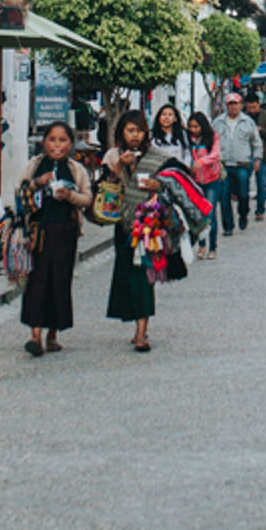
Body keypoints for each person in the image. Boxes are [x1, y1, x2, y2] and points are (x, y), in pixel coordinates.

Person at [18, 122, 91, 356]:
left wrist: (70, 195)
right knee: (37, 280)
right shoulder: (35, 165)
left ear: (70, 143)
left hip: (65, 232)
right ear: (44, 141)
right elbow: (20, 191)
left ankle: (52, 334)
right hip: (39, 232)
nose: (57, 145)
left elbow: (87, 198)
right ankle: (35, 334)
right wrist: (37, 183)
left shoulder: (76, 169)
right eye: (52, 139)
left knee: (60, 281)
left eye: (62, 140)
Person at [104, 110, 166, 352]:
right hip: (123, 225)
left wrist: (157, 185)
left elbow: (171, 181)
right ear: (122, 132)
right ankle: (135, 323)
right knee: (126, 274)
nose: (135, 136)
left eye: (139, 131)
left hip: (148, 227)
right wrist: (120, 166)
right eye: (130, 130)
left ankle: (142, 332)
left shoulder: (155, 157)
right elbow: (104, 186)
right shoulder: (113, 156)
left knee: (143, 277)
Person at [213, 92, 262, 232]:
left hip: (242, 165)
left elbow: (256, 142)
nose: (233, 107)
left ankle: (243, 214)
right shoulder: (218, 122)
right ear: (226, 106)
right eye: (230, 104)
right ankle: (228, 226)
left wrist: (257, 158)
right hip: (223, 165)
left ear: (241, 105)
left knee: (243, 194)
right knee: (224, 197)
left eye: (236, 104)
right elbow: (211, 141)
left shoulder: (248, 122)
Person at [185, 110, 223, 259]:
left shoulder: (212, 136)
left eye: (196, 127)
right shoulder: (188, 139)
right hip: (195, 182)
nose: (193, 130)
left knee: (210, 214)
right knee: (199, 215)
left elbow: (215, 154)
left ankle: (213, 247)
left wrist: (201, 162)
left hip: (211, 179)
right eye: (191, 127)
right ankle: (201, 246)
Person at [246, 95, 266, 217]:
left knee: (262, 183)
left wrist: (262, 131)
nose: (252, 110)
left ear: (258, 104)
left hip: (263, 154)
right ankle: (244, 207)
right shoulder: (242, 117)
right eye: (249, 108)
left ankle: (260, 210)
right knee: (243, 182)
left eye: (254, 107)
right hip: (245, 155)